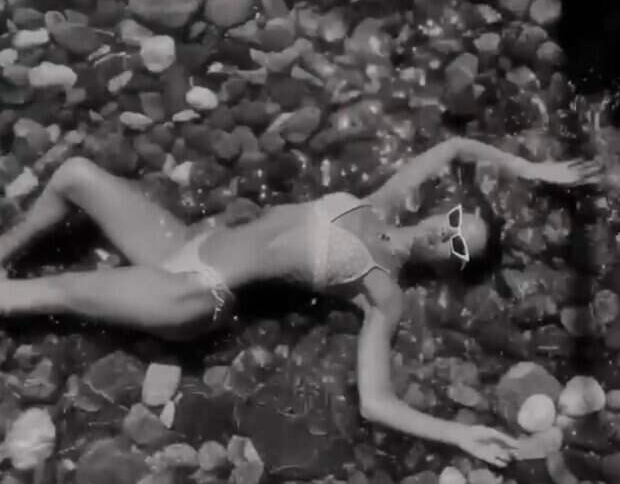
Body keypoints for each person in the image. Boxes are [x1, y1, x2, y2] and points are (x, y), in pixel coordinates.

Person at [0, 136, 600, 467]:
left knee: (52, 291)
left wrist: (457, 435)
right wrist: (533, 167)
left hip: (191, 294)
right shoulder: (385, 201)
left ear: (452, 267)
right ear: (446, 208)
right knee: (75, 173)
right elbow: (454, 148)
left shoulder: (383, 291)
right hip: (185, 245)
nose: (447, 236)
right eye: (455, 221)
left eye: (459, 248)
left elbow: (376, 403)